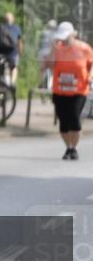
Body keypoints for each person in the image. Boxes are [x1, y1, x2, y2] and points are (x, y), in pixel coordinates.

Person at [44, 21, 93, 160]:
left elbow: (92, 64)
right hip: (60, 90)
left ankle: (73, 148)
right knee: (63, 121)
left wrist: (90, 76)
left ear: (73, 35)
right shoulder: (57, 49)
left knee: (74, 117)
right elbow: (49, 65)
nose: (64, 40)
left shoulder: (84, 48)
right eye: (62, 38)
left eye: (66, 37)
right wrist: (53, 48)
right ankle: (68, 147)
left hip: (79, 90)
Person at [0, 12, 23, 87]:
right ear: (13, 19)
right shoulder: (17, 28)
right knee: (14, 67)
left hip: (0, 52)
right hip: (13, 52)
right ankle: (12, 82)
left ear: (4, 19)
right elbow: (19, 42)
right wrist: (20, 52)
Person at [38, 19, 58, 90]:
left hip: (42, 52)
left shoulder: (43, 33)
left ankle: (41, 83)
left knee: (42, 70)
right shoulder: (55, 34)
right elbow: (54, 45)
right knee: (52, 69)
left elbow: (39, 44)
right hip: (50, 53)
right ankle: (52, 84)